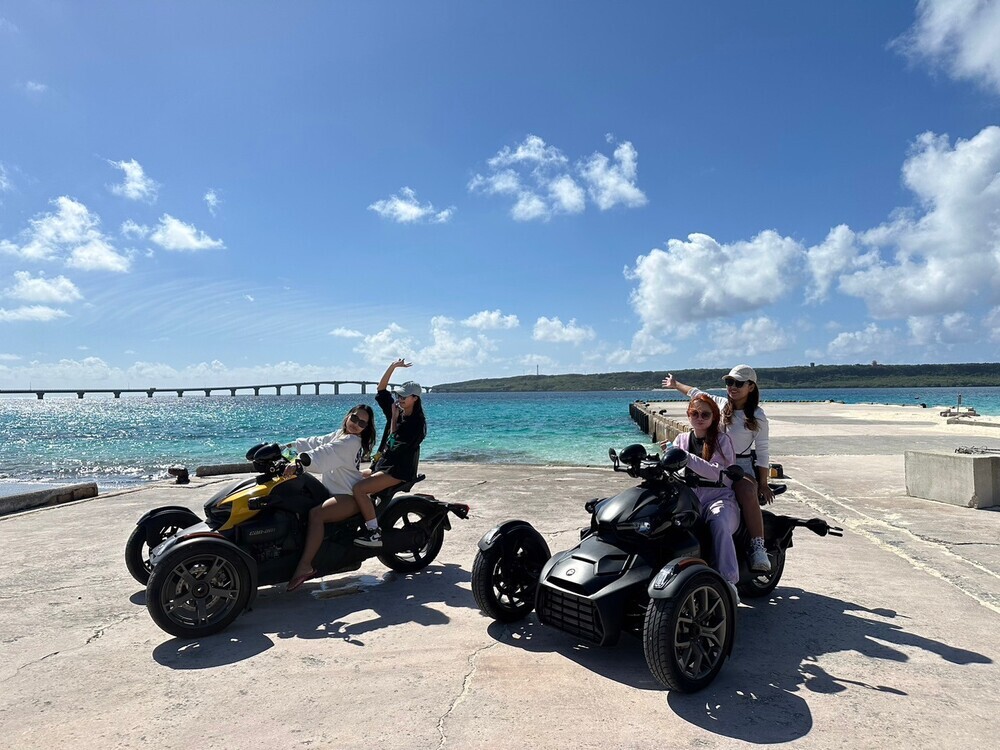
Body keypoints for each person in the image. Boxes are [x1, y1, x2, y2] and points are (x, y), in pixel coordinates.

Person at [661, 364, 772, 572]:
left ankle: (758, 546)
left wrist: (763, 483)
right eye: (729, 382)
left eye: (739, 383)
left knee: (746, 490)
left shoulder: (757, 415)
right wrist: (675, 384)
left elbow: (763, 450)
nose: (733, 387)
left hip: (739, 464)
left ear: (751, 387)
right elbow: (694, 393)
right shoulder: (720, 404)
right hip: (711, 455)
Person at [285, 404, 377, 592]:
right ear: (348, 416)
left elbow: (325, 453)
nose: (356, 424)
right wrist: (285, 447)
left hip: (348, 496)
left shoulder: (350, 442)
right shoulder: (340, 435)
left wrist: (300, 463)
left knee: (316, 515)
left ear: (365, 428)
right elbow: (316, 443)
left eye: (362, 423)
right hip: (334, 492)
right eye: (354, 418)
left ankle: (305, 565)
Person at [660, 394, 741, 600]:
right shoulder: (681, 440)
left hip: (719, 497)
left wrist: (685, 457)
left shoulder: (722, 441)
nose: (699, 418)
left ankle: (729, 582)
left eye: (705, 414)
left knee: (719, 523)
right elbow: (674, 470)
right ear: (688, 415)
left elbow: (716, 472)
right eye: (695, 413)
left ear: (714, 417)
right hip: (689, 498)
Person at [352, 358, 427, 548]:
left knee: (359, 489)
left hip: (398, 470)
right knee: (350, 478)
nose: (400, 399)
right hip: (383, 465)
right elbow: (381, 390)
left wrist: (393, 419)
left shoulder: (416, 423)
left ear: (415, 398)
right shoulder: (397, 410)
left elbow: (394, 445)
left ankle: (373, 533)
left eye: (404, 396)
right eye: (399, 395)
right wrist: (392, 367)